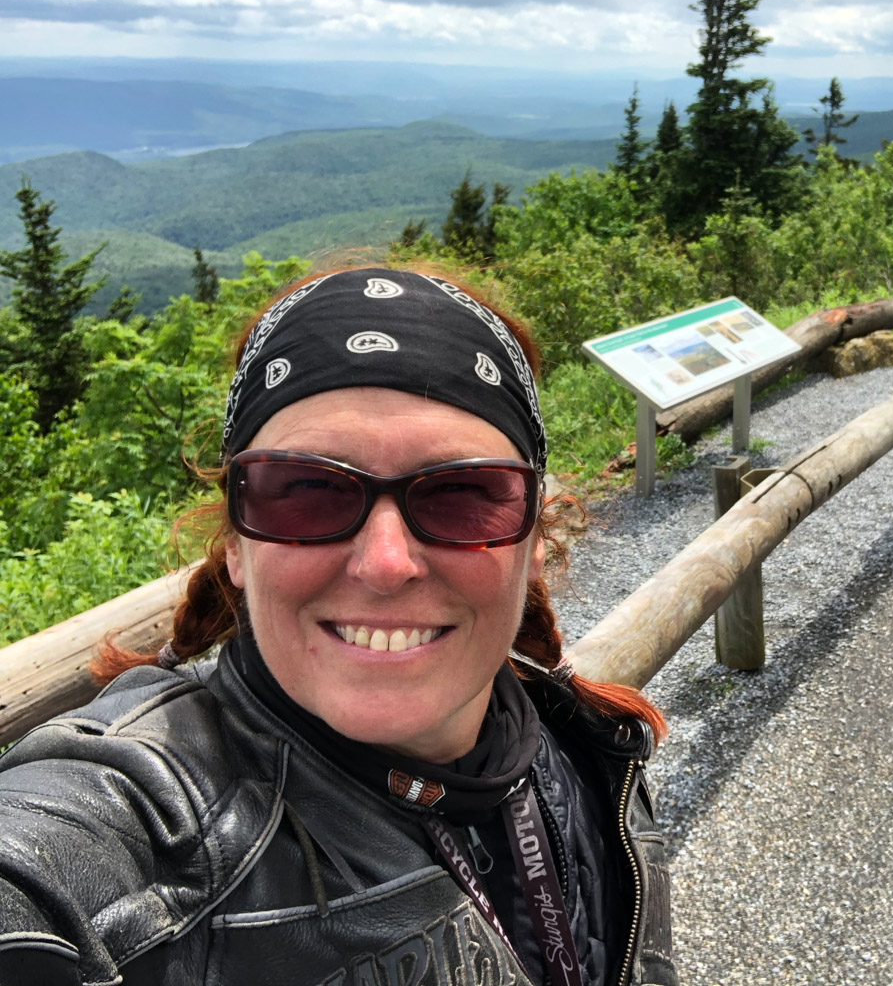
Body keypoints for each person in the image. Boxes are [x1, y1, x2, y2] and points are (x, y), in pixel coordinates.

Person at [0, 267, 676, 986]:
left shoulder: (582, 745)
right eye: (308, 492)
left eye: (462, 493)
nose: (386, 564)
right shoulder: (140, 814)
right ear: (235, 544)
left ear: (534, 535)